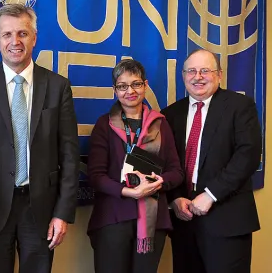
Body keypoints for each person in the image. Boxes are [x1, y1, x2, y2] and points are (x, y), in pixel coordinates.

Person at [0, 3, 80, 273]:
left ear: (34, 38)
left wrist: (62, 214)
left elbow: (70, 156)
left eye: (22, 34)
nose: (15, 41)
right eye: (7, 34)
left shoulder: (58, 87)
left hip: (41, 209)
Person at [162, 49, 261, 273]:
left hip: (227, 220)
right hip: (184, 221)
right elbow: (167, 162)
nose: (198, 77)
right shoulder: (170, 114)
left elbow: (248, 155)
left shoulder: (240, 106)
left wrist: (210, 195)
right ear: (183, 76)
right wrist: (175, 198)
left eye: (205, 70)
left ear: (219, 75)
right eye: (191, 71)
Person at [86, 59, 183, 273]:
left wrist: (160, 183)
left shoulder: (161, 124)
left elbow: (176, 172)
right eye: (122, 86)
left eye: (136, 84)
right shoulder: (105, 125)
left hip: (152, 221)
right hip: (113, 217)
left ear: (145, 85)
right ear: (115, 90)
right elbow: (96, 175)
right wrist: (129, 192)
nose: (130, 91)